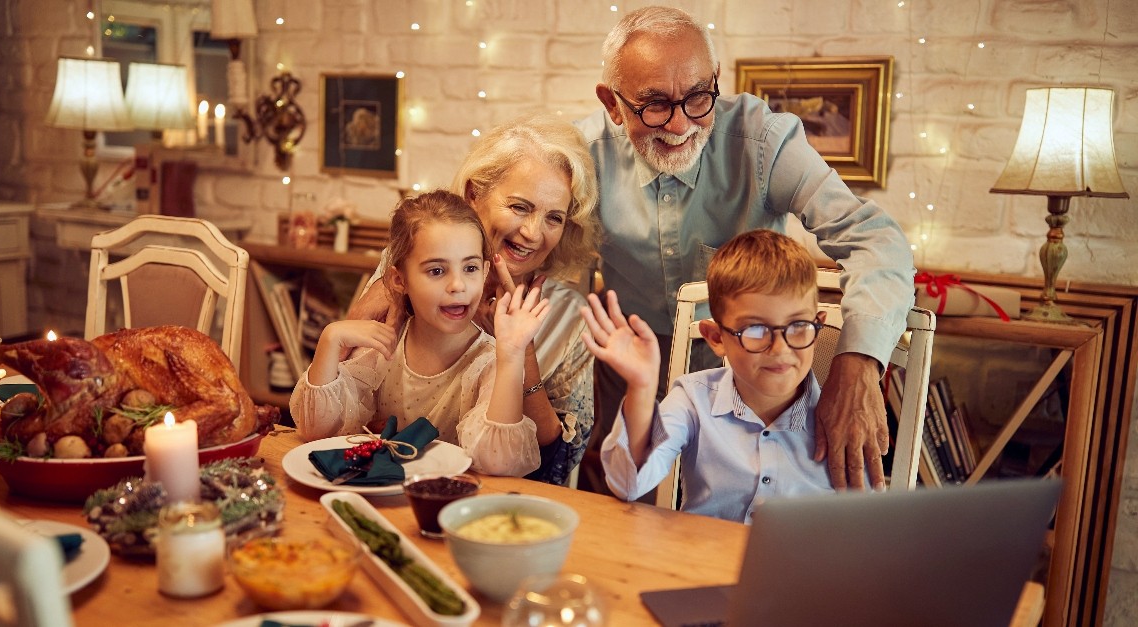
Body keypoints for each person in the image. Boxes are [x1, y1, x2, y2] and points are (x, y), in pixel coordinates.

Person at [574, 6, 914, 490]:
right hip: (632, 380)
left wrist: (859, 361)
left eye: (697, 98)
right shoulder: (581, 154)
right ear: (612, 103)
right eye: (654, 104)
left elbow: (875, 238)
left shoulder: (764, 141)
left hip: (750, 382)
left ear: (715, 79)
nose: (678, 126)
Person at [346, 113, 602, 486]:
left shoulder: (569, 317)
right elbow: (344, 396)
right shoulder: (404, 272)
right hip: (385, 486)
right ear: (473, 195)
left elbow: (559, 465)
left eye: (554, 218)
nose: (533, 233)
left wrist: (521, 353)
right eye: (520, 207)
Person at [584, 230, 862, 521]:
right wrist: (641, 387)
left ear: (817, 326)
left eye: (797, 326)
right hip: (701, 561)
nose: (780, 349)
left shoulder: (843, 419)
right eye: (755, 329)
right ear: (716, 337)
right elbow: (627, 486)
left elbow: (862, 529)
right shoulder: (693, 400)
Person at [289, 190, 549, 477]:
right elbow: (316, 430)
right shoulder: (384, 347)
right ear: (399, 280)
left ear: (486, 271)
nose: (457, 285)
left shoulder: (490, 363)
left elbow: (501, 462)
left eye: (471, 268)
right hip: (380, 499)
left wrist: (512, 356)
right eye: (437, 271)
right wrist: (330, 339)